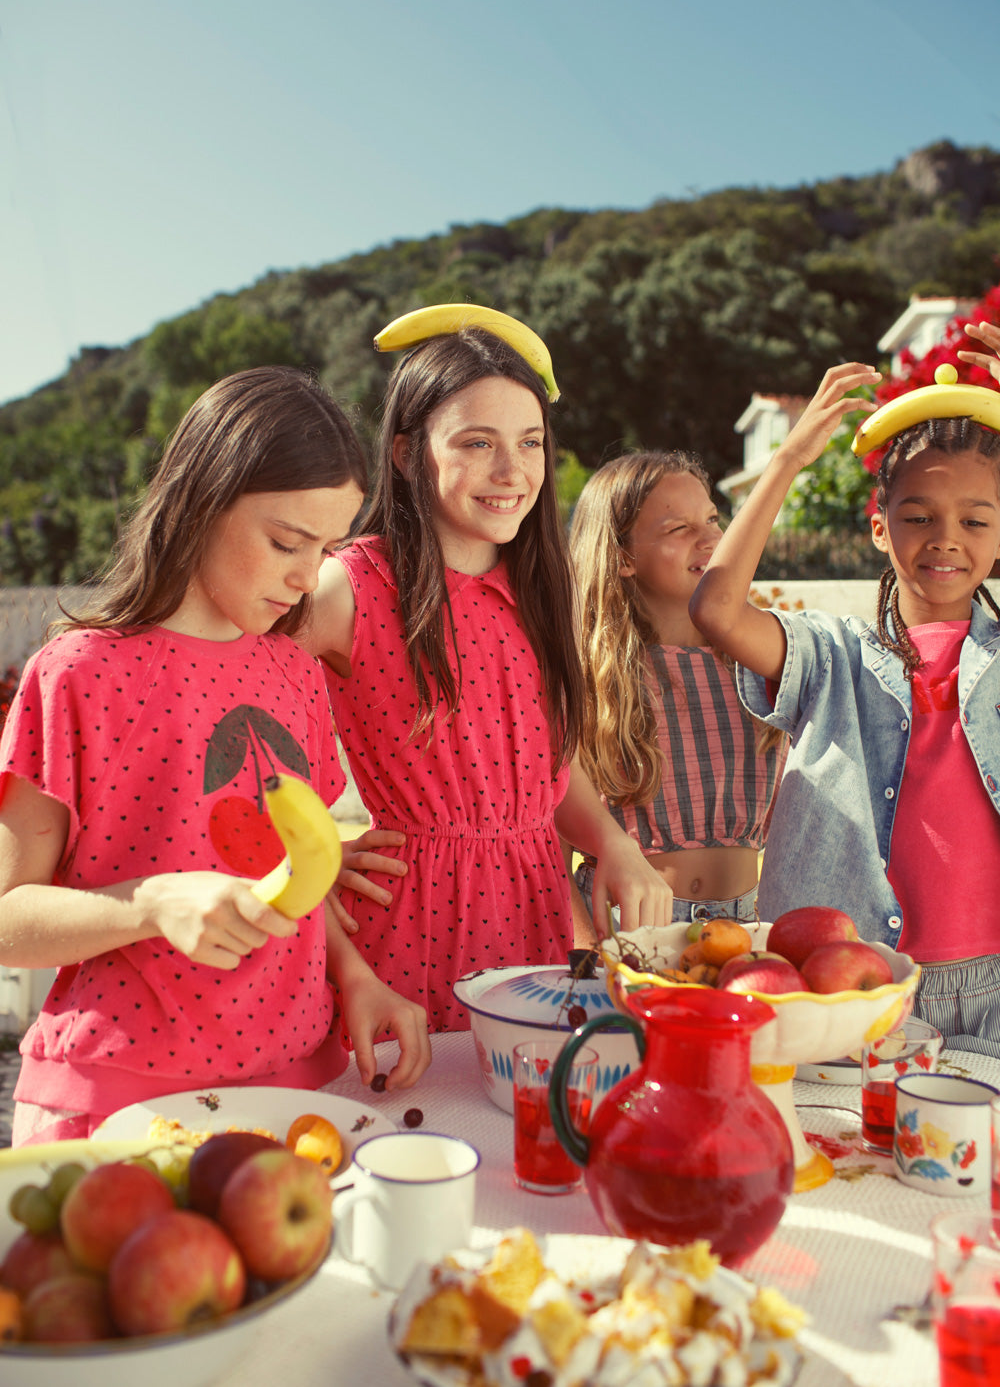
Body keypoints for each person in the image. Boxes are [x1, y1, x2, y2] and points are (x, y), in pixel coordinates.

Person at [0, 366, 431, 1146]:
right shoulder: (77, 672)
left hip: (298, 1080)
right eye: (285, 542)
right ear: (200, 500)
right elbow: (6, 919)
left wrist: (356, 976)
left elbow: (286, 883)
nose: (309, 575)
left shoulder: (296, 672)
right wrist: (152, 904)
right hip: (120, 1096)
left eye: (327, 547)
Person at [302, 321, 673, 1032]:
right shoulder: (351, 585)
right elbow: (232, 701)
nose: (512, 472)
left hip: (537, 924)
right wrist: (311, 850)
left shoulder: (538, 590)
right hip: (406, 934)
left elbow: (544, 772)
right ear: (408, 455)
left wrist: (613, 844)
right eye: (478, 443)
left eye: (529, 443)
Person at [689, 327, 1000, 1054]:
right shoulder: (833, 656)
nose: (945, 537)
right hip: (849, 985)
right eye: (916, 516)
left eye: (976, 520)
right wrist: (790, 459)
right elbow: (716, 611)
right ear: (878, 529)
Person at [569, 451, 786, 926]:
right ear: (623, 557)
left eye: (712, 518)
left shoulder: (760, 663)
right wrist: (584, 951)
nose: (712, 537)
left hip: (744, 928)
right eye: (679, 529)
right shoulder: (590, 678)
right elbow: (546, 846)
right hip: (624, 928)